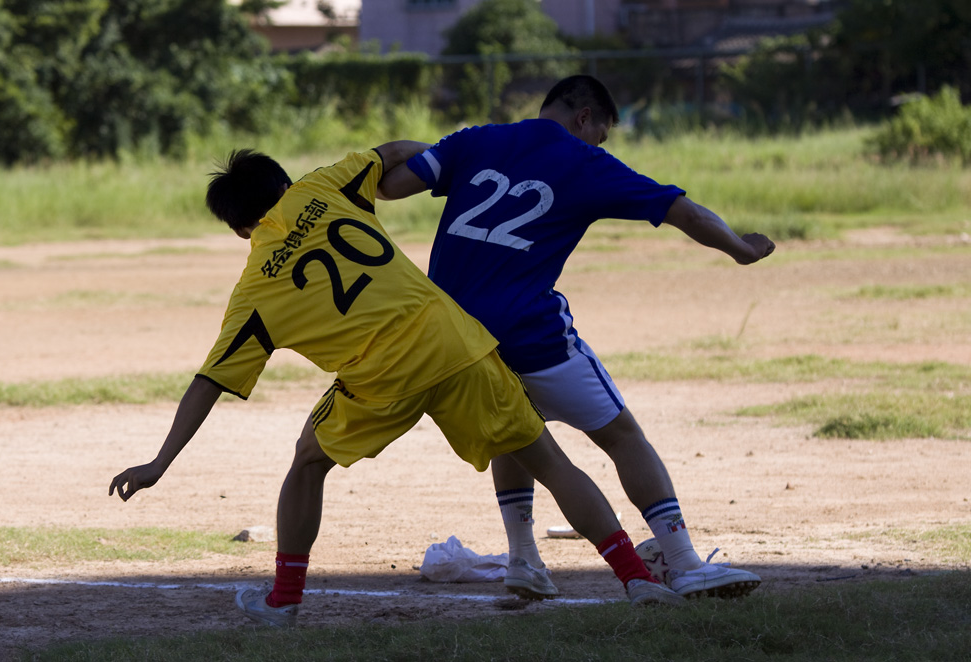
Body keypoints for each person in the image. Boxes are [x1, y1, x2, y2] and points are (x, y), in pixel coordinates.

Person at [108, 141, 686, 629]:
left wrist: (160, 462)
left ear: (241, 230)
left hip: (382, 379)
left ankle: (283, 601)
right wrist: (456, 166)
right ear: (285, 184)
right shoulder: (323, 185)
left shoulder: (254, 290)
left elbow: (208, 382)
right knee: (550, 462)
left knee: (308, 460)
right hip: (455, 342)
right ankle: (637, 579)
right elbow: (397, 152)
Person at [378, 75, 774, 600]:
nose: (598, 145)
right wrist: (741, 249)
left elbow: (389, 185)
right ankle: (683, 562)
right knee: (622, 436)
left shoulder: (476, 139)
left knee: (516, 428)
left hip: (454, 338)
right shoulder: (585, 161)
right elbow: (686, 212)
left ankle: (524, 559)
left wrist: (424, 148)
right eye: (600, 135)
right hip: (530, 332)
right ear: (584, 117)